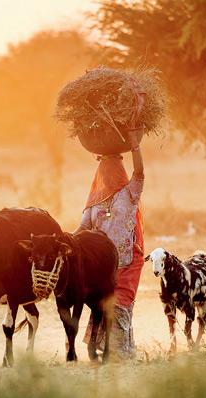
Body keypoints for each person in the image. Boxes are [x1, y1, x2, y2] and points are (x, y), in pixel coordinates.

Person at [79, 134, 145, 359]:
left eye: (114, 167)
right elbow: (82, 230)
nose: (108, 172)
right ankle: (104, 347)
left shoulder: (129, 194)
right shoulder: (93, 204)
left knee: (119, 303)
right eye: (104, 168)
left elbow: (140, 173)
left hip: (127, 261)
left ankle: (121, 349)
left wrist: (135, 146)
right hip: (101, 267)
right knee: (101, 305)